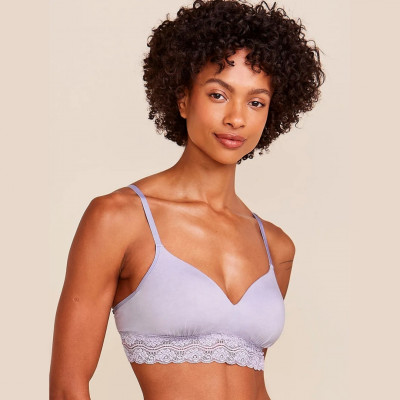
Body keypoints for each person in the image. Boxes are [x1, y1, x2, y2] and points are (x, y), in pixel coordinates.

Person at [49, 0, 325, 399]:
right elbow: (67, 386)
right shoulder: (119, 218)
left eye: (256, 102)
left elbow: (255, 383)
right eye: (218, 95)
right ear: (182, 99)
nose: (236, 118)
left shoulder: (276, 246)